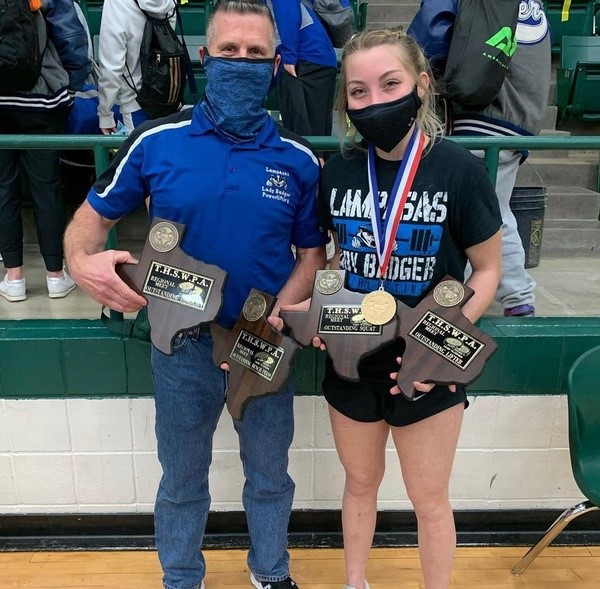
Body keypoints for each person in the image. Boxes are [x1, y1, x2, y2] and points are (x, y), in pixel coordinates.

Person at [64, 2, 326, 588]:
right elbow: (86, 224)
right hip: (180, 343)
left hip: (261, 342)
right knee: (181, 478)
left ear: (276, 63)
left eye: (256, 53)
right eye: (229, 50)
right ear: (206, 58)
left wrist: (279, 316)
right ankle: (181, 577)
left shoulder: (300, 158)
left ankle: (270, 573)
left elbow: (312, 256)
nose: (242, 61)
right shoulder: (156, 141)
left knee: (270, 476)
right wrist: (84, 266)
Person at [281, 28, 502, 589]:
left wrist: (437, 350)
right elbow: (335, 257)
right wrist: (321, 313)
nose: (374, 102)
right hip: (352, 357)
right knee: (359, 484)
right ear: (347, 103)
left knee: (429, 500)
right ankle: (356, 583)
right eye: (358, 92)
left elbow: (489, 271)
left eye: (389, 84)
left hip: (425, 369)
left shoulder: (460, 170)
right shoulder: (341, 172)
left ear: (421, 86)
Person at [408, 0, 552, 317]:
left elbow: (428, 37)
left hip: (483, 115)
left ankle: (515, 297)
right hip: (517, 118)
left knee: (486, 215)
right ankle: (506, 296)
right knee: (491, 211)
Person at [0, 0, 92, 302]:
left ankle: (14, 277)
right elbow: (71, 38)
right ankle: (55, 275)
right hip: (41, 101)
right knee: (47, 187)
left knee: (2, 190)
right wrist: (72, 84)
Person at [96, 0, 177, 135]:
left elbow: (112, 69)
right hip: (167, 102)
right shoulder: (169, 2)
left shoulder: (116, 3)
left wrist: (105, 115)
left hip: (135, 106)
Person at [265, 0, 338, 136]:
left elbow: (287, 11)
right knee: (316, 134)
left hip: (305, 62)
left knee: (305, 137)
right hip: (314, 59)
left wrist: (289, 58)